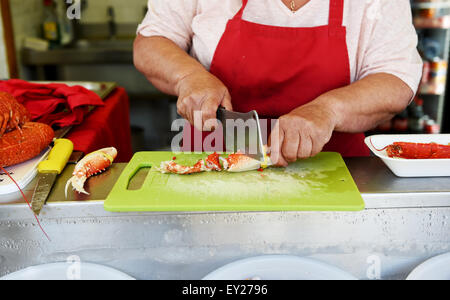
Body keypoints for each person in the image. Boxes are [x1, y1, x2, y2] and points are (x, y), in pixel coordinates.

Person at [134, 0, 422, 166]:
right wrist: (188, 76)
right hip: (212, 157)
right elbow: (152, 41)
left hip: (334, 164)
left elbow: (396, 77)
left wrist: (328, 110)